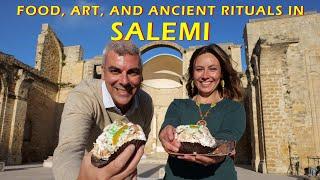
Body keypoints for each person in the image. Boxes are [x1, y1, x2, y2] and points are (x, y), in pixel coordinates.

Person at [53, 40, 154, 180]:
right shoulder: (83, 96)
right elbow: (69, 149)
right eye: (115, 71)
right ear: (102, 73)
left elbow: (139, 143)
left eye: (133, 72)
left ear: (141, 76)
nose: (124, 81)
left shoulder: (146, 103)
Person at [159, 44, 246, 179]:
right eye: (199, 69)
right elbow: (170, 123)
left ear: (221, 73)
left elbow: (228, 138)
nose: (205, 75)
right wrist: (166, 132)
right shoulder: (178, 105)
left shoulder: (233, 108)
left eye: (212, 69)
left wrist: (220, 151)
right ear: (192, 74)